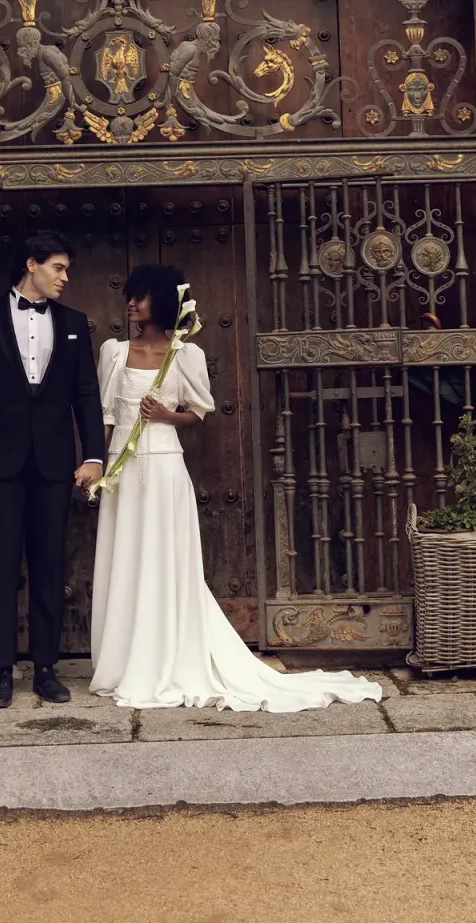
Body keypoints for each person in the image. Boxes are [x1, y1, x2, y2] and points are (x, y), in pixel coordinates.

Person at [89, 262, 383, 712]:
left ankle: (166, 656)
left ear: (163, 301)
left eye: (143, 296)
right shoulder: (113, 351)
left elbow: (199, 412)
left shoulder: (184, 354)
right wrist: (95, 464)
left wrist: (167, 416)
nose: (132, 302)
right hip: (122, 471)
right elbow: (107, 417)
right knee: (125, 556)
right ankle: (122, 660)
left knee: (163, 560)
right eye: (130, 294)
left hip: (166, 468)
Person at [0, 231, 106, 710]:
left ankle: (45, 667)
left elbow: (85, 394)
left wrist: (94, 455)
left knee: (48, 562)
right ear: (32, 263)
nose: (65, 277)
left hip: (55, 463)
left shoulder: (75, 323)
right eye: (58, 267)